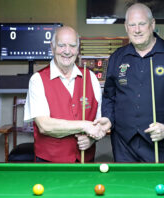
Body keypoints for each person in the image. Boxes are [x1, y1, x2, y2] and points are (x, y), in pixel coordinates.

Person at [102, 3, 164, 162]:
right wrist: (107, 118)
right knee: (126, 187)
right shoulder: (117, 57)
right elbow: (108, 97)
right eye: (132, 25)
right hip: (123, 145)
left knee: (162, 185)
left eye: (142, 24)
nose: (137, 29)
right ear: (126, 27)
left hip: (162, 143)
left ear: (152, 24)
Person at [24, 26, 111, 163]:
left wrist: (92, 139)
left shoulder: (91, 78)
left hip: (84, 162)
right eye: (61, 45)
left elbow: (99, 123)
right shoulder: (37, 79)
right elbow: (44, 125)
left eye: (72, 46)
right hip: (49, 164)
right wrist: (84, 125)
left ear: (77, 49)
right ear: (52, 47)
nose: (67, 51)